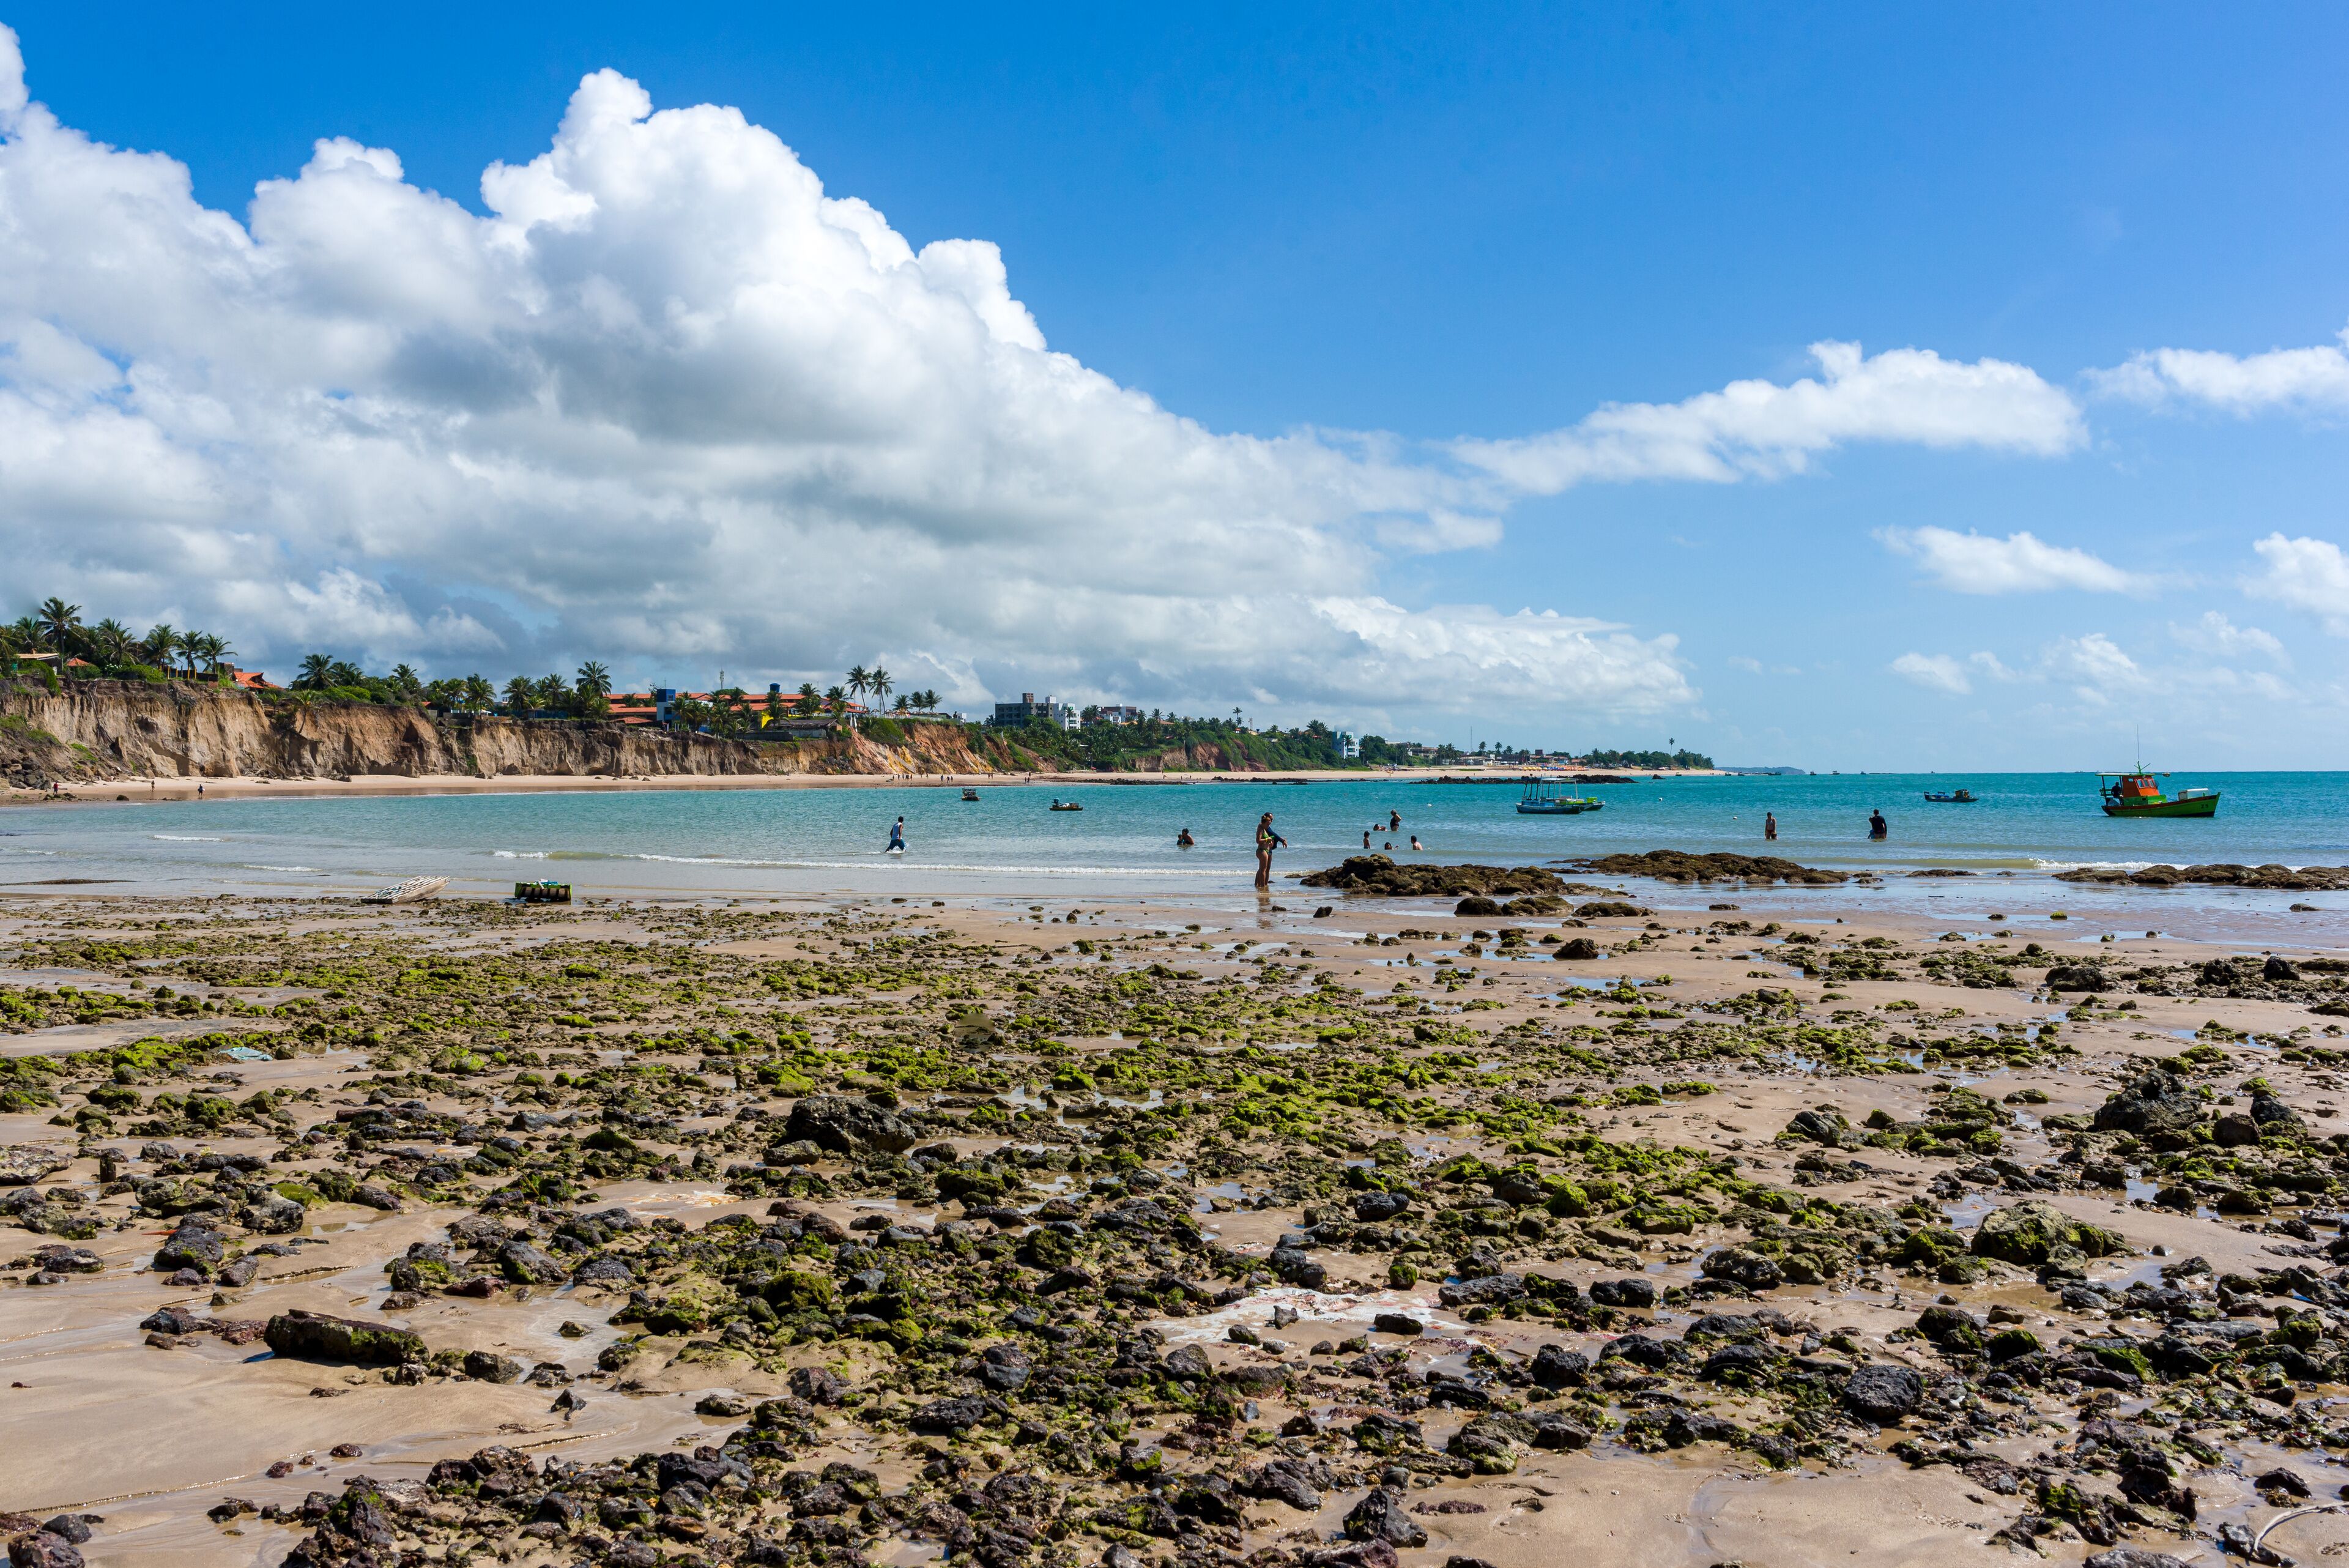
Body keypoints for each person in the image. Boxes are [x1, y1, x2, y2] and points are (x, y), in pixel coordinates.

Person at [1255, 812, 1285, 890]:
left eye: (1271, 821)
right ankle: (1261, 886)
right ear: (1265, 820)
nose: (1270, 823)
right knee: (1263, 870)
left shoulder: (1266, 828)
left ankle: (1264, 885)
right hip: (1262, 851)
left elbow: (1273, 835)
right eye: (1270, 821)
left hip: (1268, 850)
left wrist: (1270, 843)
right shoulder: (1261, 828)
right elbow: (1258, 840)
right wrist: (1268, 839)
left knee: (1265, 869)